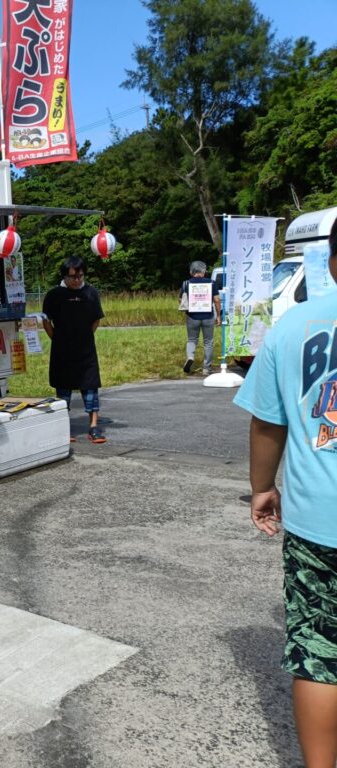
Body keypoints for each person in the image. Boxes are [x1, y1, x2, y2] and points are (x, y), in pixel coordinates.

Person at [234, 219, 337, 768]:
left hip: (321, 520)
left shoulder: (293, 326)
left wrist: (260, 489)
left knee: (322, 657)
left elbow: (268, 424)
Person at [42, 256, 107, 443]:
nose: (76, 280)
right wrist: (57, 338)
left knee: (91, 386)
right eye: (72, 277)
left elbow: (96, 319)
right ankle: (64, 426)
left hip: (86, 350)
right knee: (63, 387)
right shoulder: (54, 295)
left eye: (79, 276)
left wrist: (85, 336)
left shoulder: (91, 293)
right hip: (62, 350)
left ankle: (94, 427)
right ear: (64, 276)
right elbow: (46, 321)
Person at [180, 260, 222, 375]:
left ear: (191, 272)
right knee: (208, 342)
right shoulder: (212, 283)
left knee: (192, 340)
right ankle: (206, 368)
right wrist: (218, 316)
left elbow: (181, 300)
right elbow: (217, 300)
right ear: (204, 271)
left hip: (192, 317)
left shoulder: (186, 284)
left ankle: (190, 357)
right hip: (208, 317)